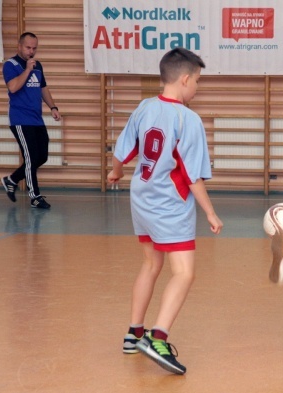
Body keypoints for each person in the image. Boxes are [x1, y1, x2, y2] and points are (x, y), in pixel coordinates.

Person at [107, 47, 223, 375]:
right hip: (170, 204)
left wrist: (116, 171)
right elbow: (192, 175)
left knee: (151, 263)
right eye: (197, 81)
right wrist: (211, 214)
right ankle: (157, 338)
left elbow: (122, 148)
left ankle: (134, 332)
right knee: (184, 272)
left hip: (141, 198)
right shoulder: (188, 119)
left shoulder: (144, 107)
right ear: (185, 79)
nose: (197, 87)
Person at [1, 32, 61, 209]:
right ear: (19, 46)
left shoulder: (38, 65)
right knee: (31, 156)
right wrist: (27, 69)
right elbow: (13, 87)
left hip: (37, 119)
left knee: (41, 156)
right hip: (20, 119)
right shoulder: (10, 65)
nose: (31, 51)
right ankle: (35, 197)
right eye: (28, 48)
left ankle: (11, 180)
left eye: (34, 48)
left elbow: (43, 88)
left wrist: (53, 107)